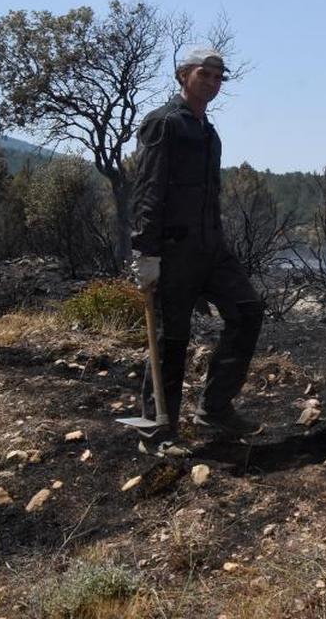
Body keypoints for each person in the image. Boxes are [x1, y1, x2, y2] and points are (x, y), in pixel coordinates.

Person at [129, 47, 265, 455]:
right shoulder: (163, 124)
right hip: (173, 251)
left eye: (219, 76)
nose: (213, 82)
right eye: (205, 74)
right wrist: (146, 253)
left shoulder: (209, 133)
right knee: (171, 339)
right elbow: (148, 189)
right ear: (183, 75)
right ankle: (156, 431)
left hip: (211, 248)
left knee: (247, 311)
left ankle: (215, 409)